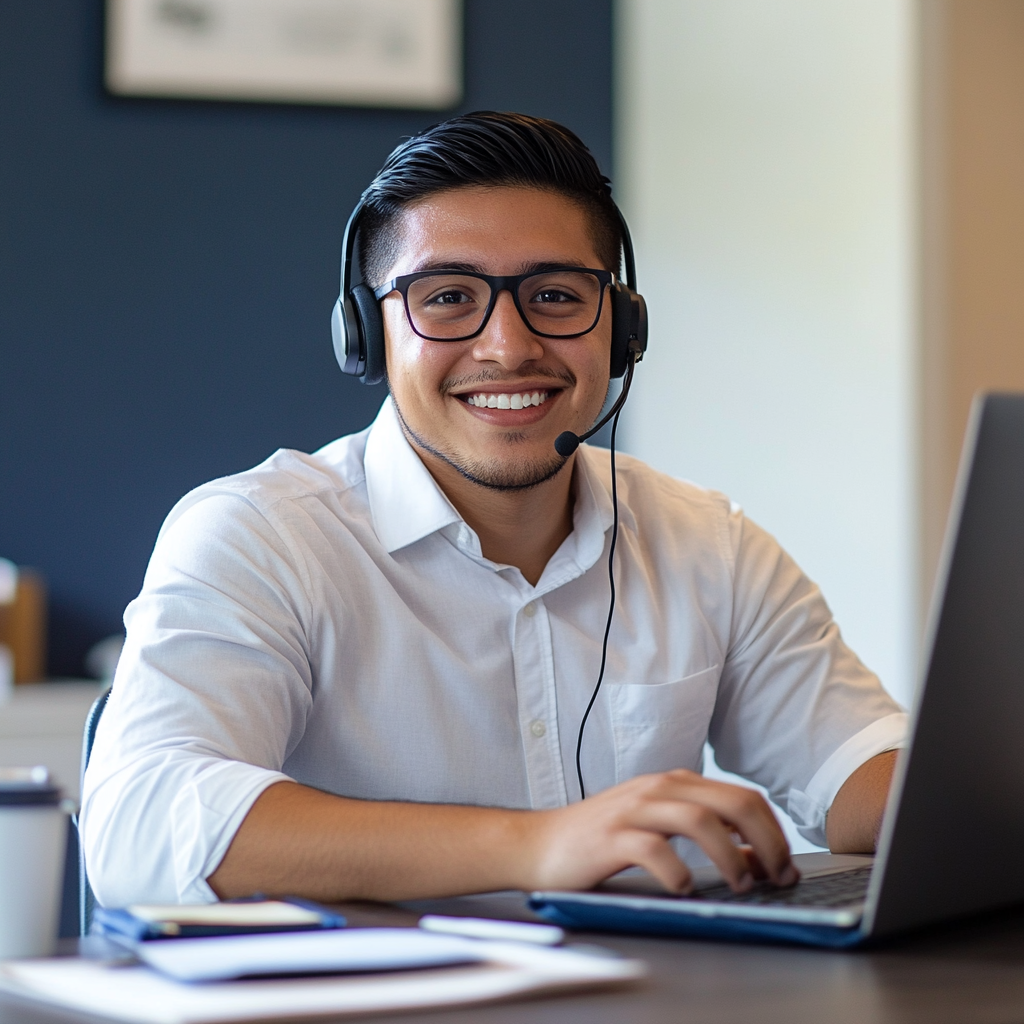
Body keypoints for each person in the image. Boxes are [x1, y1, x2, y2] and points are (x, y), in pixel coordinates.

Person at [81, 112, 906, 908]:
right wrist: (536, 846)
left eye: (554, 294)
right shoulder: (260, 536)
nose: (509, 346)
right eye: (447, 297)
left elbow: (861, 767)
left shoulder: (707, 544)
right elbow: (142, 823)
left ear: (620, 328)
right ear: (368, 334)